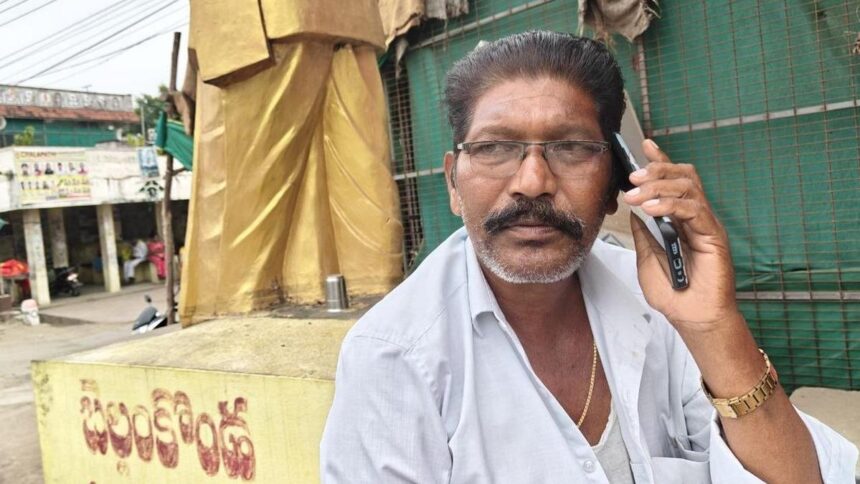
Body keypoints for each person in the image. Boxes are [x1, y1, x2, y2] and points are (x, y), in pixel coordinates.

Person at [320, 32, 857, 483]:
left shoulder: (655, 301)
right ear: (454, 185)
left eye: (571, 147)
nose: (533, 181)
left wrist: (714, 325)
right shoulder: (393, 357)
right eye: (495, 147)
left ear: (616, 186)